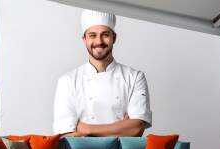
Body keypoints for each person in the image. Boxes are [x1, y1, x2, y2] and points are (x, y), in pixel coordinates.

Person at [53, 9, 152, 138]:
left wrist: (86, 129)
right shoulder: (67, 81)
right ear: (84, 39)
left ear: (114, 37)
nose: (99, 41)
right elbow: (64, 136)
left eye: (105, 34)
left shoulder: (134, 77)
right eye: (92, 35)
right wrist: (122, 127)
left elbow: (137, 128)